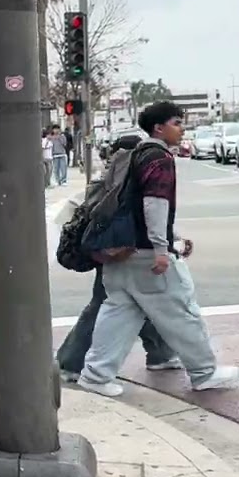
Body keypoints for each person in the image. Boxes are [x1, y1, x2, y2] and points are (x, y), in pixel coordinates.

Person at [79, 101, 239, 397]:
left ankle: (95, 374)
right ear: (158, 128)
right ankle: (204, 372)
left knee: (118, 312)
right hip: (146, 254)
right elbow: (154, 204)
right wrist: (162, 249)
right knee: (181, 310)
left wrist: (172, 236)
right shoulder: (159, 159)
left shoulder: (135, 154)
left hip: (122, 251)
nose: (182, 129)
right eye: (176, 123)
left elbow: (134, 206)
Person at [56, 135, 178, 380]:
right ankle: (71, 361)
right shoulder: (127, 176)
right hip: (124, 251)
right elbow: (143, 214)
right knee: (106, 304)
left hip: (116, 249)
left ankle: (161, 353)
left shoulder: (114, 175)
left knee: (137, 301)